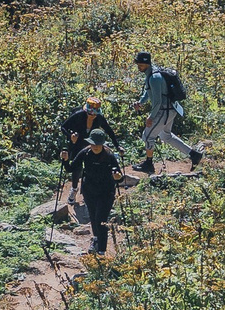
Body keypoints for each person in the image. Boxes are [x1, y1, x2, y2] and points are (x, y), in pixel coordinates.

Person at [133, 50, 207, 170]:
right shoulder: (152, 73)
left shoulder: (154, 78)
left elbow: (157, 102)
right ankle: (194, 155)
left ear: (147, 64)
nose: (138, 67)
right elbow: (148, 91)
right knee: (166, 136)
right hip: (171, 109)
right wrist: (141, 102)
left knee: (147, 137)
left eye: (140, 64)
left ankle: (148, 164)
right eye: (138, 64)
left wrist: (151, 117)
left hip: (163, 111)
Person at [73, 126, 123, 255]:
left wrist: (117, 177)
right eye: (93, 144)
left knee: (101, 220)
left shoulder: (109, 156)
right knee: (94, 218)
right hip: (89, 190)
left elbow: (119, 177)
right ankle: (96, 240)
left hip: (106, 192)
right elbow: (71, 167)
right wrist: (65, 158)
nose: (95, 147)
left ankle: (101, 251)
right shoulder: (85, 153)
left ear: (102, 145)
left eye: (98, 144)